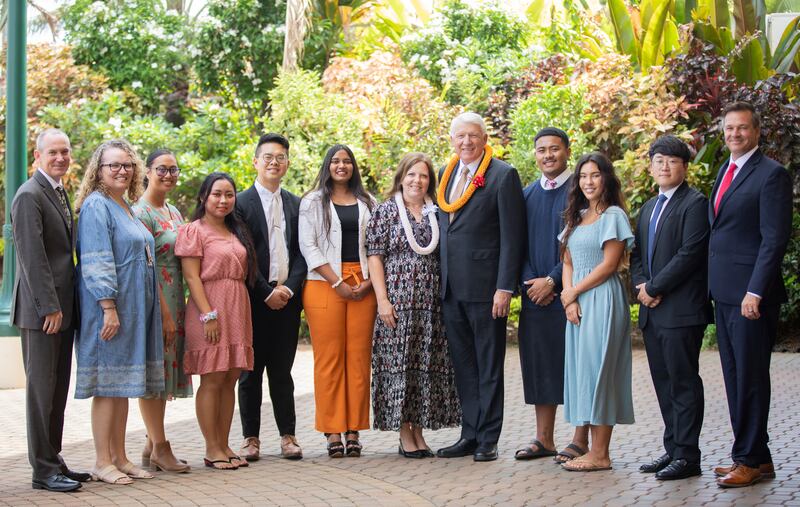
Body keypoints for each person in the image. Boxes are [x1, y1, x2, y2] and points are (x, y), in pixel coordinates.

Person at [708, 102, 792, 488]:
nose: (735, 134)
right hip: (724, 293)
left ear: (756, 132)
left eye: (742, 128)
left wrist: (755, 290)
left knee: (751, 378)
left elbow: (774, 239)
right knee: (734, 376)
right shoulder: (725, 169)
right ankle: (758, 455)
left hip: (750, 296)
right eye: (729, 128)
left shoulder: (771, 175)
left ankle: (748, 459)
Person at [74, 139, 164, 485]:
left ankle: (121, 457)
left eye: (127, 164)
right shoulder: (97, 206)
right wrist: (108, 306)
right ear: (99, 170)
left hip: (133, 308)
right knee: (108, 387)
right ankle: (101, 461)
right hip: (109, 309)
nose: (122, 170)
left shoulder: (123, 205)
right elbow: (96, 259)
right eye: (114, 165)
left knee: (122, 385)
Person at [436, 112, 525, 462]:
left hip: (487, 290)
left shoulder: (503, 176)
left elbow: (512, 238)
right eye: (460, 136)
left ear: (485, 138)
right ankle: (469, 433)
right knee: (464, 366)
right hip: (451, 290)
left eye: (473, 136)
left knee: (488, 366)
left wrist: (505, 287)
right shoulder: (447, 174)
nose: (467, 142)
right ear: (452, 140)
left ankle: (488, 438)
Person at [10, 129, 90, 492]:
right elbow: (31, 258)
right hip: (43, 313)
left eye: (65, 152)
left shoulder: (56, 192)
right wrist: (49, 307)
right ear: (37, 157)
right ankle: (42, 470)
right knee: (42, 392)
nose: (60, 158)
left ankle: (53, 459)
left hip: (63, 310)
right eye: (53, 152)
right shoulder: (29, 195)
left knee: (57, 390)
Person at [366, 152, 461, 458]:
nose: (416, 181)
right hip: (397, 303)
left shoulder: (438, 212)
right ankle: (405, 434)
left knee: (424, 368)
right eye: (411, 174)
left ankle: (419, 431)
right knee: (402, 367)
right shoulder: (385, 211)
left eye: (422, 176)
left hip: (431, 306)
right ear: (401, 177)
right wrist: (382, 300)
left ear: (429, 182)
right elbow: (375, 256)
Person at [630, 135, 712, 480]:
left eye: (672, 160)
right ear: (651, 167)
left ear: (684, 166)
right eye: (658, 160)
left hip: (681, 311)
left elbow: (690, 255)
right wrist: (641, 287)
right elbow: (636, 256)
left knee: (683, 383)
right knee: (664, 383)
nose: (664, 166)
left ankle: (688, 456)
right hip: (653, 311)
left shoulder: (695, 204)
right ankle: (672, 449)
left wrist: (655, 287)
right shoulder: (649, 206)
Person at [514, 128, 590, 464]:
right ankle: (544, 439)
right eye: (542, 149)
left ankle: (579, 439)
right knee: (540, 366)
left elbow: (584, 244)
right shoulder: (526, 195)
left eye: (554, 149)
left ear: (567, 151)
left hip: (572, 295)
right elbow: (515, 244)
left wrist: (553, 280)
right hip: (535, 296)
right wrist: (533, 283)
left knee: (577, 366)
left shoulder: (581, 193)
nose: (548, 155)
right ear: (535, 154)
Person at [299, 144, 377, 458]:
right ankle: (332, 431)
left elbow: (377, 244)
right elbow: (308, 245)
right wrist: (337, 282)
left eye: (346, 161)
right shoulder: (312, 201)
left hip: (364, 284)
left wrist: (370, 280)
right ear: (327, 165)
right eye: (335, 160)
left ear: (353, 166)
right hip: (323, 283)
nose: (341, 165)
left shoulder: (369, 201)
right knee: (329, 360)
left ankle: (354, 429)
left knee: (358, 359)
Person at [175, 172, 256, 471]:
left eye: (229, 195)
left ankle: (224, 443)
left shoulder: (236, 230)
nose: (223, 200)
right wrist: (208, 314)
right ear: (203, 197)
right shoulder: (193, 231)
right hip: (209, 306)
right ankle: (211, 448)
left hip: (237, 305)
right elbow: (192, 276)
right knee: (211, 378)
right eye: (216, 194)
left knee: (230, 378)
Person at [558, 152, 634, 472]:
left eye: (595, 175)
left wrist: (575, 290)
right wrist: (569, 298)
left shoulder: (613, 215)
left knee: (602, 371)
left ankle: (601, 454)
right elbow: (567, 262)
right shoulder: (577, 216)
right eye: (583, 176)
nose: (588, 182)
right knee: (581, 371)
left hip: (603, 298)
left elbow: (609, 265)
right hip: (577, 303)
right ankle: (583, 444)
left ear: (606, 179)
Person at [236, 134, 307, 461]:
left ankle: (288, 436)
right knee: (250, 373)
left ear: (287, 163)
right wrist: (265, 292)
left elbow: (303, 253)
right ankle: (250, 438)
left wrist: (289, 289)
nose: (274, 162)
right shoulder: (239, 203)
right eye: (268, 157)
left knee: (282, 371)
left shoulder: (297, 204)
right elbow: (242, 255)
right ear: (255, 161)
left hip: (288, 300)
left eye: (280, 157)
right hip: (253, 299)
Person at [132, 149, 192, 473]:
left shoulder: (173, 210)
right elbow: (146, 266)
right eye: (162, 169)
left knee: (166, 372)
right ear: (148, 171)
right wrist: (165, 312)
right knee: (154, 375)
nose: (168, 175)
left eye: (173, 169)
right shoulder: (140, 213)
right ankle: (161, 447)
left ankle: (150, 441)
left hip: (177, 299)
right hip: (156, 300)